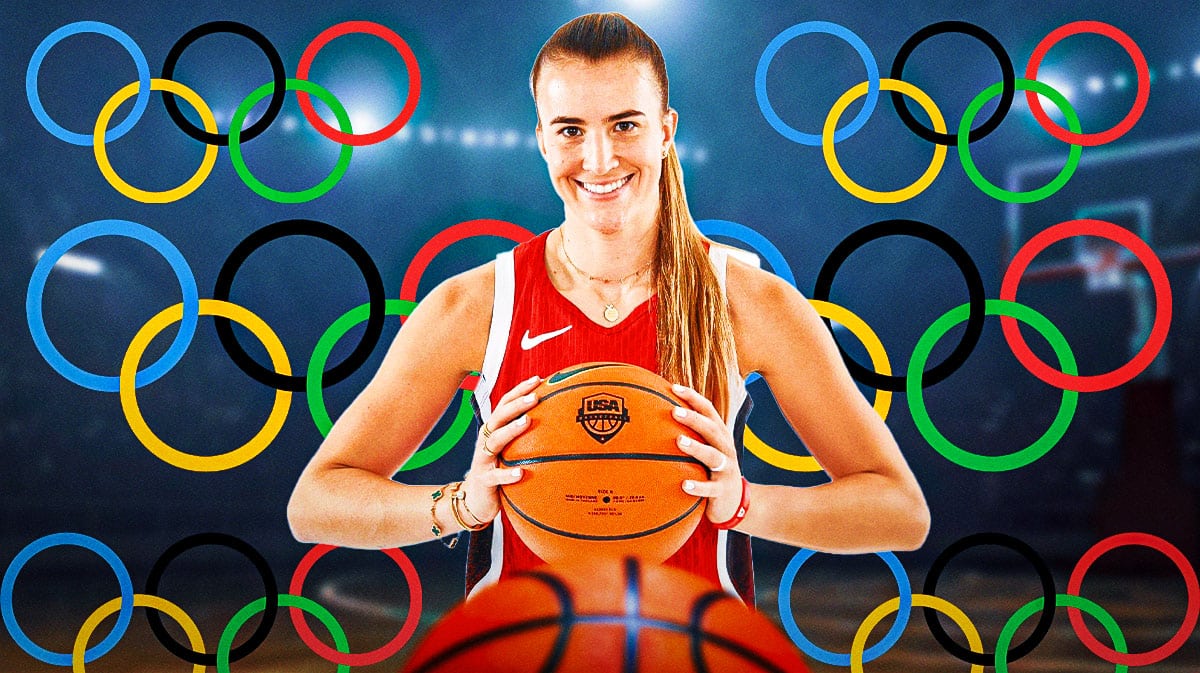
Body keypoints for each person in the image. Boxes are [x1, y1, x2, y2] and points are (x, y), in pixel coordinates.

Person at [287, 12, 928, 603]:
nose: (599, 159)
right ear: (542, 140)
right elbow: (315, 501)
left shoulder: (747, 301)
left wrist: (743, 504)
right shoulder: (475, 304)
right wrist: (462, 504)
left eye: (625, 124)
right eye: (571, 130)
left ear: (666, 131)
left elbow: (900, 511)